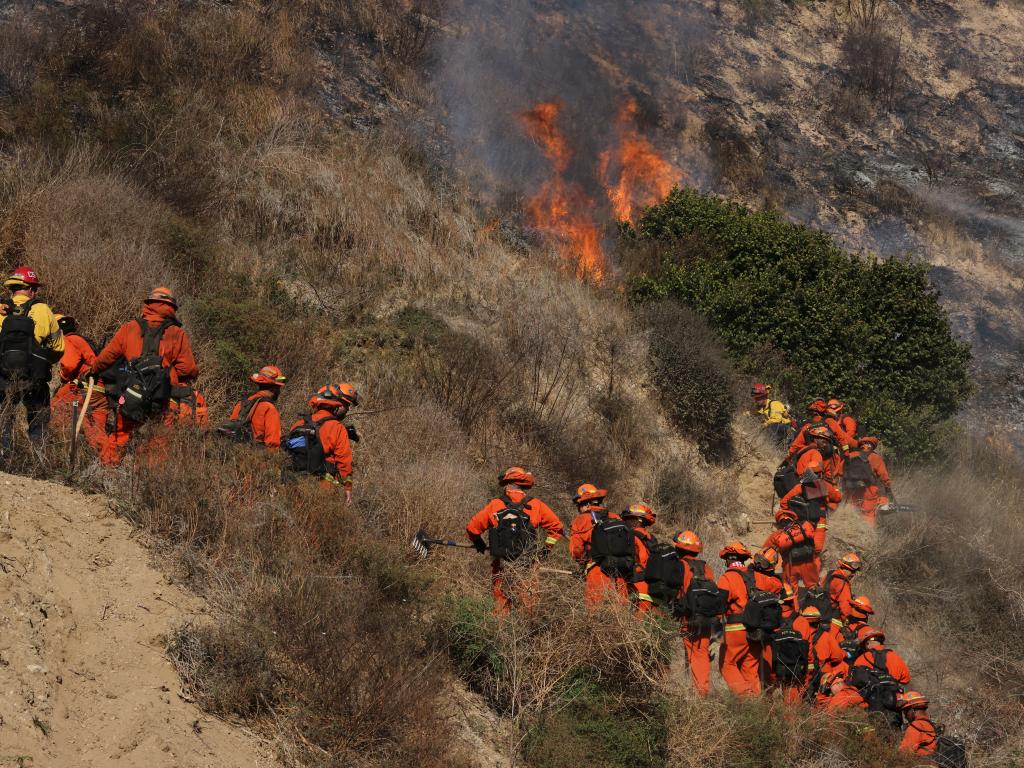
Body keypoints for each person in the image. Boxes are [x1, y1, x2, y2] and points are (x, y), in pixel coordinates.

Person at [89, 287, 199, 465]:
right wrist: (170, 373)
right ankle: (146, 475)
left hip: (133, 393)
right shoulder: (177, 333)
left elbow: (106, 357)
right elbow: (188, 369)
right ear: (171, 307)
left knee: (120, 435)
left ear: (149, 304)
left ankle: (108, 471)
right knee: (158, 440)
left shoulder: (130, 328)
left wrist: (93, 369)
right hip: (164, 397)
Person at [465, 466, 564, 615]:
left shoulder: (495, 504)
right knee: (528, 607)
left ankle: (501, 628)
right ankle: (526, 628)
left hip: (502, 565)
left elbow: (472, 528)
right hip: (527, 565)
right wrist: (546, 549)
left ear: (507, 485)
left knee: (501, 606)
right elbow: (557, 528)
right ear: (523, 485)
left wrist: (478, 542)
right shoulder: (536, 505)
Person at [0, 266, 64, 453]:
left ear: (13, 289)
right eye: (34, 288)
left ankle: (5, 458)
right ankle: (38, 457)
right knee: (38, 419)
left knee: (4, 419)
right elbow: (58, 348)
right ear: (29, 289)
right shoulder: (43, 310)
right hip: (34, 378)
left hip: (3, 378)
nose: (35, 292)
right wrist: (44, 361)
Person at [285, 383, 358, 502]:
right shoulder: (337, 427)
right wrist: (348, 488)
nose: (347, 409)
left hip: (295, 484)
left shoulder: (299, 423)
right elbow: (344, 461)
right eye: (346, 406)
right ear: (336, 405)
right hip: (324, 487)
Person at [569, 484, 631, 608]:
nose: (578, 509)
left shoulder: (581, 520)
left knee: (595, 610)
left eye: (579, 505)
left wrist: (583, 563)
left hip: (597, 570)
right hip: (620, 571)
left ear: (586, 504)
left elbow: (576, 550)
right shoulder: (616, 517)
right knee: (620, 611)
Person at [672, 530, 718, 696]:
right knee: (701, 652)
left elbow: (677, 592)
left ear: (679, 548)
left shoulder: (680, 565)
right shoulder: (707, 568)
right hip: (706, 618)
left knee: (693, 652)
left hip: (687, 616)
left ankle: (697, 692)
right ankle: (701, 690)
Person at [826, 626, 911, 713]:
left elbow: (854, 680)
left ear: (868, 643)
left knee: (835, 705)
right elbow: (906, 680)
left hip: (870, 703)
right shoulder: (897, 658)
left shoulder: (862, 659)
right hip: (892, 701)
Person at [717, 541, 764, 696]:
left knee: (726, 664)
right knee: (749, 667)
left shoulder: (727, 577)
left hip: (736, 628)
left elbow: (719, 605)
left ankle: (745, 698)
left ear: (729, 559)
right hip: (757, 629)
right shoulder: (757, 576)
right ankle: (755, 702)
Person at [226, 365, 286, 449]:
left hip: (235, 450)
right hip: (256, 454)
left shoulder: (241, 403)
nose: (279, 391)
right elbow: (272, 443)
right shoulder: (269, 408)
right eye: (278, 388)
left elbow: (231, 427)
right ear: (274, 388)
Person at [763, 509, 820, 589]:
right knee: (814, 588)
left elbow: (765, 551)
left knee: (790, 591)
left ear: (779, 522)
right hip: (809, 562)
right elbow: (817, 542)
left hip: (790, 565)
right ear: (793, 518)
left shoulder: (777, 534)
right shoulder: (805, 526)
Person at [844, 437, 892, 523]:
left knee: (849, 515)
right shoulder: (875, 458)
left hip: (852, 491)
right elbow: (884, 476)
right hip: (869, 492)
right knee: (868, 517)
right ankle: (866, 531)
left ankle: (848, 529)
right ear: (873, 446)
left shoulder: (851, 455)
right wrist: (888, 489)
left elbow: (840, 471)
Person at [622, 503, 658, 615]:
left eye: (629, 519)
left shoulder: (630, 536)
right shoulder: (651, 538)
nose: (626, 522)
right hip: (651, 588)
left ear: (637, 520)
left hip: (636, 587)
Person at [824, 553, 863, 623]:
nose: (853, 574)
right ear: (844, 567)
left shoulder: (831, 574)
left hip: (821, 611)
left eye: (855, 572)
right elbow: (845, 608)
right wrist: (848, 621)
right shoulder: (843, 583)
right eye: (852, 571)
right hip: (831, 617)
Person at [898, 691, 938, 757]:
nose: (905, 716)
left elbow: (905, 753)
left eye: (906, 712)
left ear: (913, 710)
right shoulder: (930, 725)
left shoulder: (915, 727)